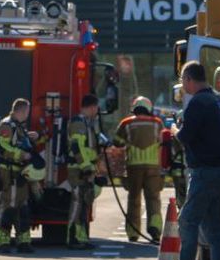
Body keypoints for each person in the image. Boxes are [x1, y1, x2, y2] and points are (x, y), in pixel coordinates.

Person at [152, 61, 220, 260]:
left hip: (204, 171)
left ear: (188, 79)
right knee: (212, 225)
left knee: (187, 221)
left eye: (182, 81)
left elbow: (186, 136)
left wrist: (175, 129)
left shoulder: (198, 103)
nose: (182, 86)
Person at [113, 96, 165, 242]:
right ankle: (155, 230)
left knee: (134, 199)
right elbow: (163, 142)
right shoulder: (157, 123)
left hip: (133, 167)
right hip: (153, 167)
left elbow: (117, 142)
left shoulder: (127, 123)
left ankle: (133, 232)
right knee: (153, 199)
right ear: (149, 108)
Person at [0, 98, 40, 254]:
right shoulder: (7, 125)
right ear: (22, 110)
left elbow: (18, 144)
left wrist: (32, 138)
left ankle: (24, 242)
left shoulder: (19, 127)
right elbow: (2, 146)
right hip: (9, 172)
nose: (28, 114)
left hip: (20, 173)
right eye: (27, 111)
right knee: (9, 206)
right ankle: (3, 242)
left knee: (23, 207)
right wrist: (22, 155)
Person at [66, 94, 108, 250]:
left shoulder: (89, 123)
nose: (97, 111)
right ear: (91, 107)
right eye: (96, 108)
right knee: (77, 203)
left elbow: (90, 148)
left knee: (85, 204)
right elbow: (77, 147)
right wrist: (86, 167)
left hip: (87, 169)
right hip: (78, 170)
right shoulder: (78, 123)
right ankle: (72, 238)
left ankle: (82, 238)